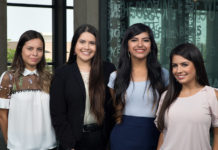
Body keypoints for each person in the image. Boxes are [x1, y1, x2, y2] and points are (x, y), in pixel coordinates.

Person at [50, 24, 116, 150]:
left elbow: (113, 109)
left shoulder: (108, 70)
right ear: (74, 46)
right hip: (73, 142)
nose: (86, 47)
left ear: (97, 47)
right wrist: (70, 145)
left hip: (102, 141)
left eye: (92, 43)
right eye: (82, 42)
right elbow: (58, 115)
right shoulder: (62, 74)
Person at [107, 23, 169, 150]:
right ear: (127, 46)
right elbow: (116, 106)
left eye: (145, 40)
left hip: (154, 136)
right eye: (134, 40)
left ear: (151, 45)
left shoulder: (163, 75)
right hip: (122, 138)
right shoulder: (115, 76)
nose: (140, 44)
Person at [0, 30, 57, 150]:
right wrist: (10, 144)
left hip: (49, 146)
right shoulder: (9, 77)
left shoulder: (50, 78)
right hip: (19, 147)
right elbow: (2, 115)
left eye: (39, 49)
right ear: (21, 49)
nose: (35, 53)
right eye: (30, 48)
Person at [156, 43, 218, 150]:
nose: (178, 70)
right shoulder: (166, 96)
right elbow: (164, 134)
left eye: (184, 64)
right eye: (175, 65)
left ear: (197, 65)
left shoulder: (211, 95)